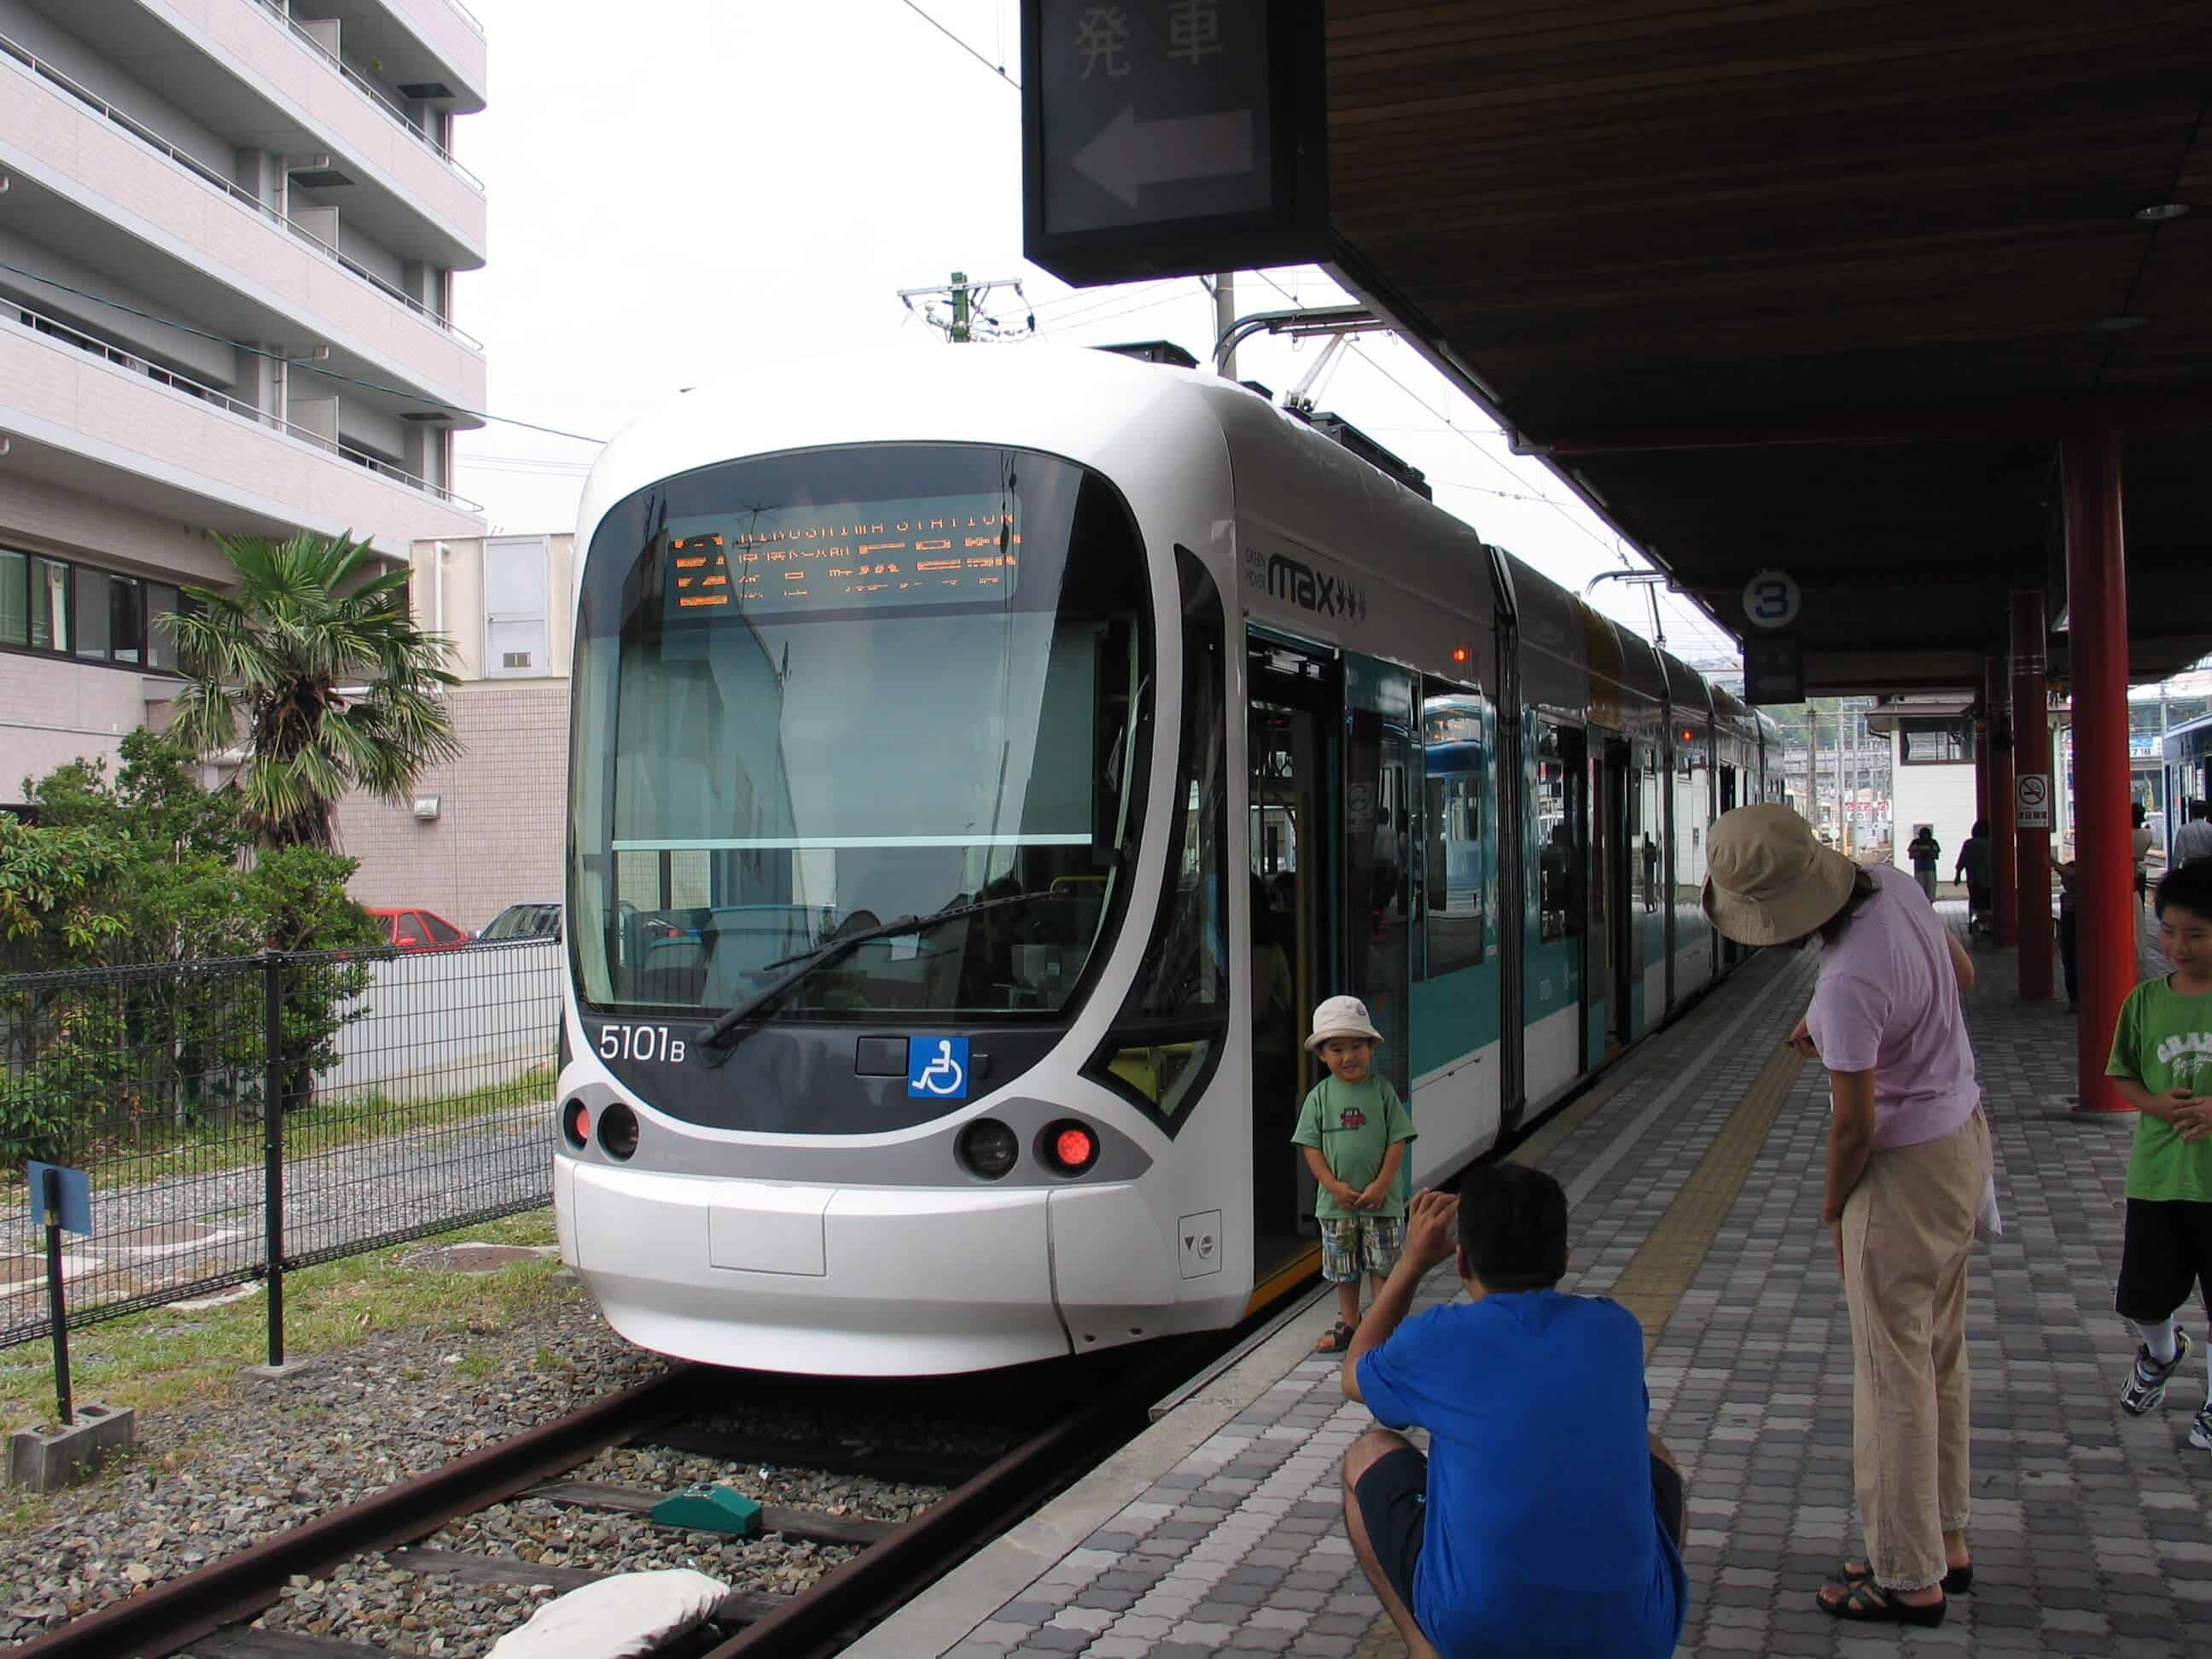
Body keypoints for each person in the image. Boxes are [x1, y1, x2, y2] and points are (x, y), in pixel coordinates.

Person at [1703, 804, 1989, 1627]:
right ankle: (1947, 1538)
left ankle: (1908, 1575)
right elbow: (1958, 978)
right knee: (1939, 1354)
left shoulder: (1846, 982)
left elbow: (1854, 1127)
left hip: (1903, 1173)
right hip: (1963, 1142)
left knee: (1889, 1373)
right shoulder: (1896, 887)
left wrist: (1833, 1209)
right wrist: (1839, 1023)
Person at [1338, 1167, 1686, 1659]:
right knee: (1653, 1451)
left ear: (1460, 1262)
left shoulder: (1438, 1338)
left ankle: (1426, 1648)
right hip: (1638, 1638)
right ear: (1563, 1260)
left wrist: (1411, 1264)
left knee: (1367, 1454)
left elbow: (1353, 1372)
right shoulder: (1616, 1329)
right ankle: (1636, 1600)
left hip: (1475, 1631)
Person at [2104, 859, 2212, 1455]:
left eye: (2196, 933)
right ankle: (2163, 1353)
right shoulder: (2145, 1001)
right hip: (2158, 1177)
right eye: (2169, 930)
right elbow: (2122, 1077)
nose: (2179, 945)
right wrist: (2159, 1106)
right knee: (2142, 1295)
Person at [1294, 995, 1416, 1353]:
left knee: (1383, 1268)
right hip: (1337, 1206)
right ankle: (1350, 1324)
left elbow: (1398, 1140)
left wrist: (1382, 1184)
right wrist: (1332, 1186)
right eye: (1337, 1049)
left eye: (1356, 1046)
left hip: (1383, 1201)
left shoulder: (1382, 1092)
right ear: (1322, 1055)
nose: (1348, 1056)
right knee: (1344, 1270)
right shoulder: (1318, 1097)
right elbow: (1310, 1147)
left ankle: (1383, 1325)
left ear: (1371, 1049)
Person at [1953, 821, 1993, 937]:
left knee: (1974, 901)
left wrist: (1958, 875)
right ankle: (1987, 925)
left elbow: (1962, 860)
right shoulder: (1991, 843)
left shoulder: (1969, 844)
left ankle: (1974, 921)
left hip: (1973, 878)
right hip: (1989, 878)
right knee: (1988, 902)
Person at [1906, 824, 1941, 903]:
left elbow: (1936, 855)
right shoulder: (1930, 842)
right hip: (1924, 869)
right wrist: (1927, 851)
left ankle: (1928, 906)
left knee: (1928, 891)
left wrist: (1919, 851)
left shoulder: (1930, 842)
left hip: (1925, 869)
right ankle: (1926, 906)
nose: (1925, 836)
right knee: (1923, 891)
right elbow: (1911, 855)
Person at [2177, 800, 2212, 870]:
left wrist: (2174, 870)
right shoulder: (2210, 828)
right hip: (2207, 866)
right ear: (2205, 814)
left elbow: (2178, 853)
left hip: (2189, 866)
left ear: (2191, 813)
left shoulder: (2184, 829)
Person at [2134, 800, 2155, 899]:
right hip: (2141, 870)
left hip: (2126, 870)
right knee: (2140, 898)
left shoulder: (2123, 835)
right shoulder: (2148, 833)